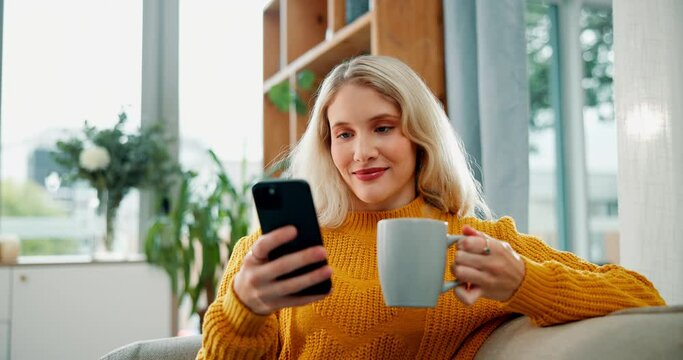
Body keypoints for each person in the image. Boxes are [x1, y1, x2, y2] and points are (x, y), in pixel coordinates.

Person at [196, 55, 665, 359]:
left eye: (383, 128)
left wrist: (525, 283)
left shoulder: (477, 244)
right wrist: (244, 308)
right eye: (344, 134)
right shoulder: (272, 249)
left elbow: (643, 296)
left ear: (420, 136)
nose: (361, 153)